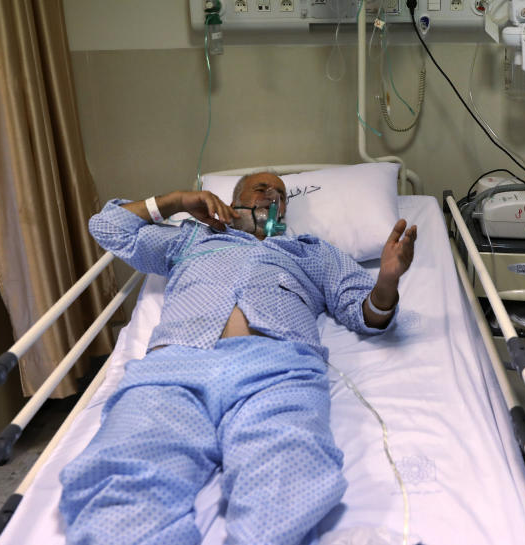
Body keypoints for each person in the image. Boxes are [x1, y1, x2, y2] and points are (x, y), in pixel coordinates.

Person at [58, 172, 417, 545]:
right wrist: (178, 201)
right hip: (175, 368)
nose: (272, 196)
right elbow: (109, 227)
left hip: (277, 370)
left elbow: (365, 313)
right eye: (261, 189)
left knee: (289, 479)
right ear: (233, 200)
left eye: (280, 195)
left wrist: (387, 280)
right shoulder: (191, 237)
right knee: (120, 483)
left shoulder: (313, 252)